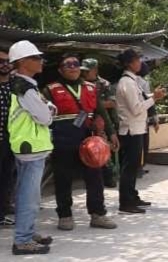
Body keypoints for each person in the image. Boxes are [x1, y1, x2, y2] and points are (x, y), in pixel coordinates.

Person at [43, 54, 117, 231]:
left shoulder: (91, 88)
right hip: (63, 140)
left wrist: (111, 132)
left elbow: (101, 112)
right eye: (67, 64)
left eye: (76, 64)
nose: (73, 67)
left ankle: (98, 214)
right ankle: (65, 215)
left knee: (95, 178)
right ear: (60, 69)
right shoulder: (50, 89)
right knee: (63, 179)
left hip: (89, 140)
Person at [7, 40, 54, 255]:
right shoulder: (24, 88)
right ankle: (23, 239)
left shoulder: (23, 84)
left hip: (29, 146)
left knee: (29, 194)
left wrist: (47, 108)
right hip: (30, 147)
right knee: (29, 195)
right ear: (23, 62)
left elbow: (45, 108)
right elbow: (45, 116)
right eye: (35, 57)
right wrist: (48, 111)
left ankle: (27, 231)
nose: (40, 61)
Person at [116, 49, 166, 213]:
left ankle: (132, 196)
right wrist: (154, 99)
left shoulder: (133, 81)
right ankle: (126, 202)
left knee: (134, 166)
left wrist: (153, 95)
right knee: (129, 168)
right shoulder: (127, 83)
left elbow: (140, 99)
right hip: (131, 130)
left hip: (137, 129)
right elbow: (136, 108)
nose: (140, 63)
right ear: (130, 63)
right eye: (137, 60)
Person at [81, 58, 119, 188]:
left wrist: (93, 104)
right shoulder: (81, 84)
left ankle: (110, 177)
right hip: (86, 122)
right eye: (83, 71)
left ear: (95, 70)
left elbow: (112, 103)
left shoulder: (104, 84)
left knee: (104, 151)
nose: (85, 73)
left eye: (88, 71)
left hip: (103, 122)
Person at [0, 49, 16, 227]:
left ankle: (2, 214)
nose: (4, 64)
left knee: (6, 178)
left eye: (7, 61)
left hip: (11, 140)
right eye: (0, 61)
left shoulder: (15, 86)